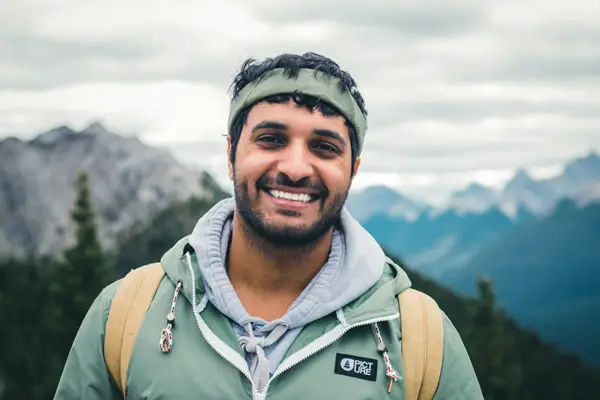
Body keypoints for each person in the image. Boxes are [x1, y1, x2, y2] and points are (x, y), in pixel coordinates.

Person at [54, 52, 483, 399]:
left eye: (324, 147)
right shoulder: (126, 313)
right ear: (230, 155)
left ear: (352, 170)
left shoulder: (420, 336)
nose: (296, 168)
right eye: (271, 139)